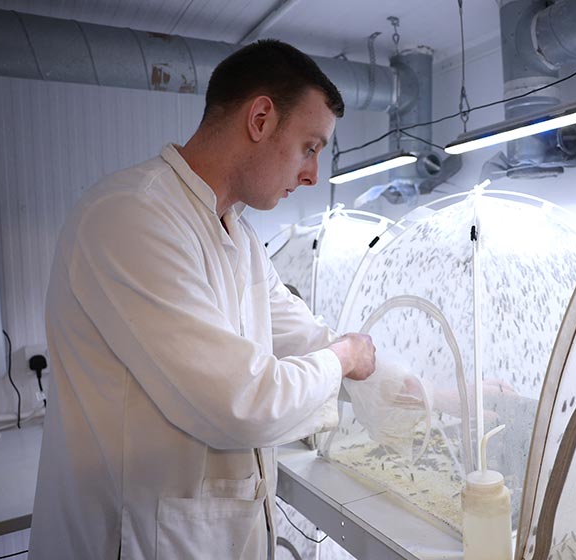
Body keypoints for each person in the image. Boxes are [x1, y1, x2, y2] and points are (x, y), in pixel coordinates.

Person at [28, 40, 376, 560]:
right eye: (310, 146)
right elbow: (243, 403)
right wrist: (344, 357)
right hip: (128, 542)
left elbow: (309, 338)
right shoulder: (131, 217)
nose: (312, 175)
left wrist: (432, 397)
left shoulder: (239, 238)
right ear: (260, 119)